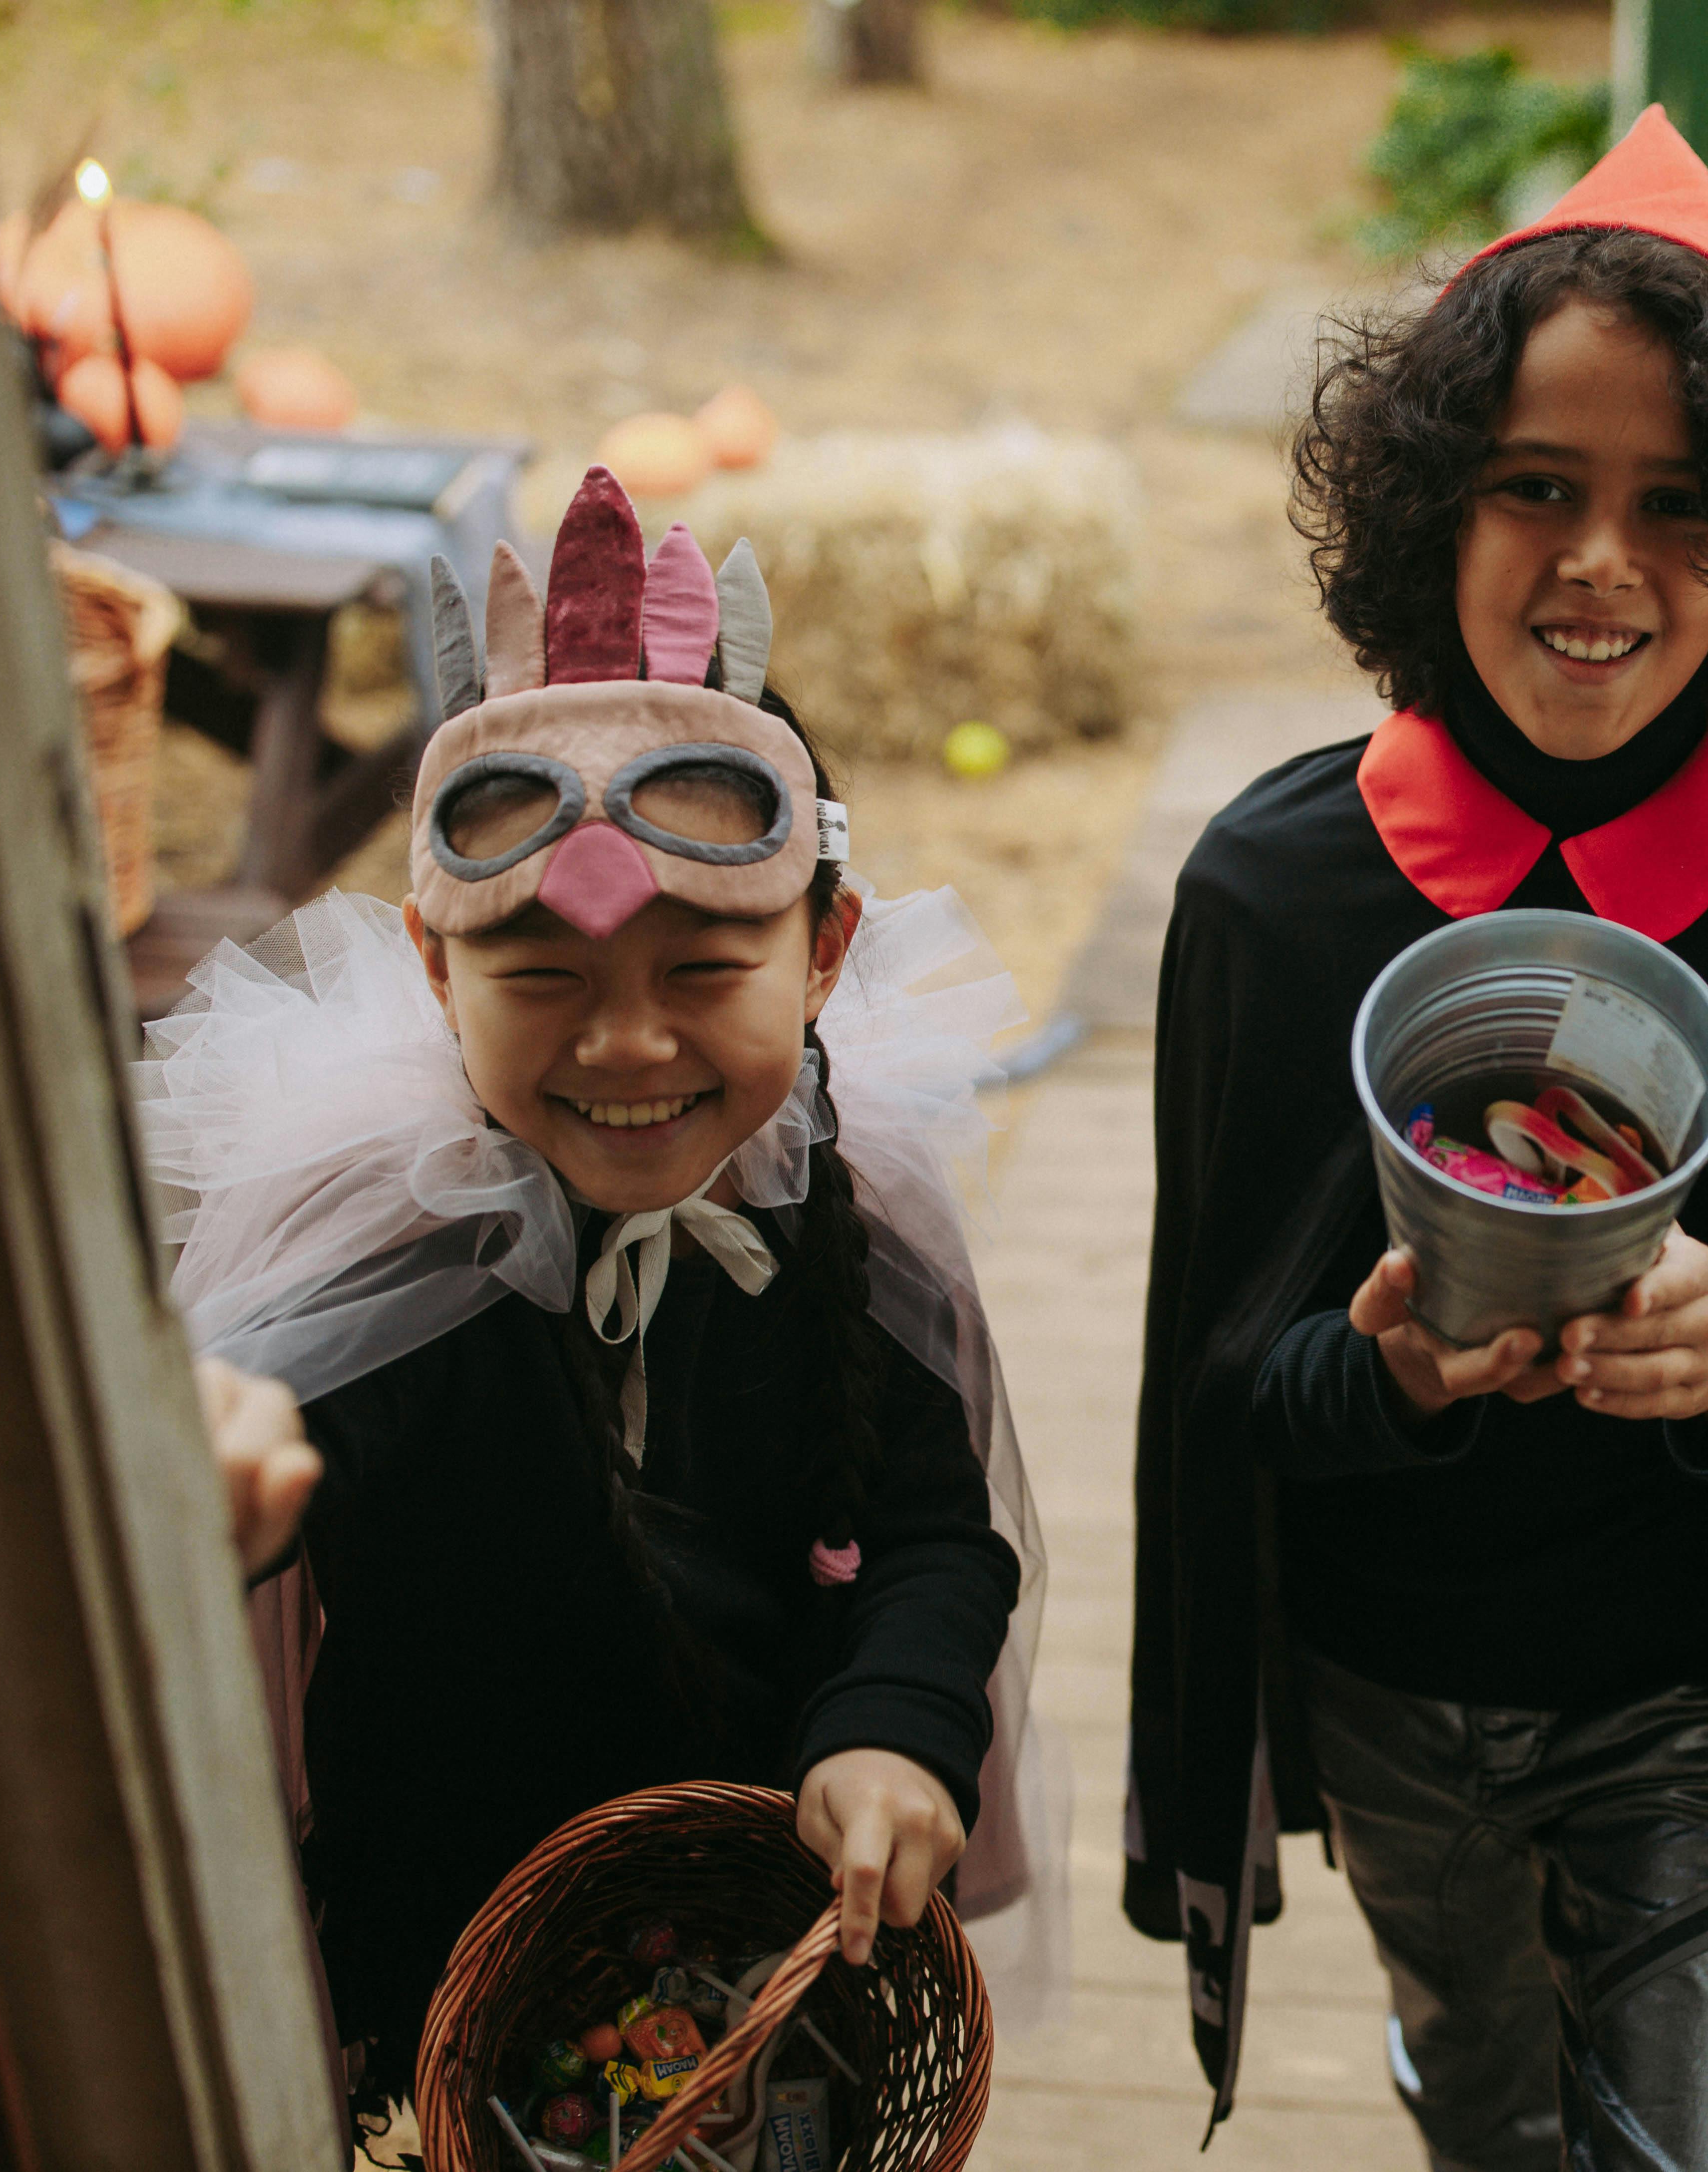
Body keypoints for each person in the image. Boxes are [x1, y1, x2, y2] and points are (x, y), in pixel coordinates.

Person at [1128, 110, 1708, 2172]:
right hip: (1395, 1704)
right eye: (1532, 490)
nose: (1601, 564)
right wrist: (1389, 1368)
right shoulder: (1278, 895)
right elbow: (1220, 1393)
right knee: (1487, 2094)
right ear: (1430, 517)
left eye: (1679, 507)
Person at [142, 469, 1058, 2108]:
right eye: (542, 977)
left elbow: (928, 1524)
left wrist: (899, 1722)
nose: (628, 1045)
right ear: (436, 964)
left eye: (705, 972)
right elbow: (266, 1446)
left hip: (773, 1970)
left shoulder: (838, 1226)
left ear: (824, 945)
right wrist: (219, 1469)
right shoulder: (388, 1252)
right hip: (439, 1995)